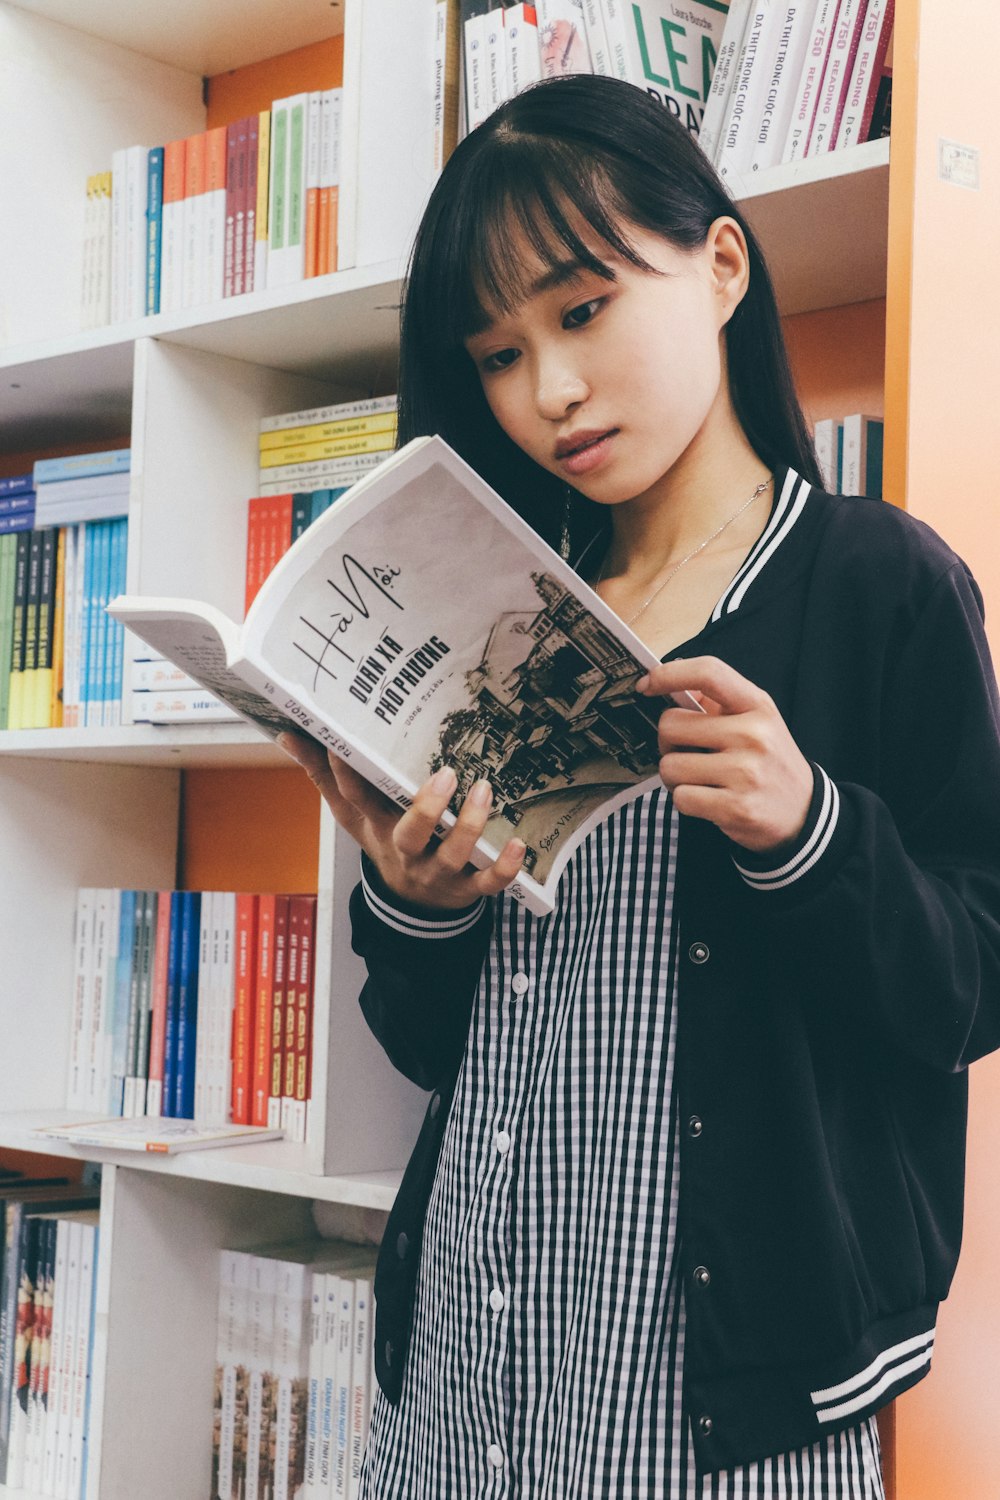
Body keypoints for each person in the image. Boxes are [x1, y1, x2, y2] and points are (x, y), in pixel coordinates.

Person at [280, 73, 1000, 1498]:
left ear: (721, 265)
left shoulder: (873, 587)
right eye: (495, 353)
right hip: (468, 1363)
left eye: (583, 310)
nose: (547, 389)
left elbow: (972, 984)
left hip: (718, 1400)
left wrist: (811, 830)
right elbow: (437, 1049)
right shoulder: (503, 607)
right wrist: (416, 903)